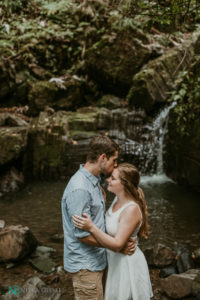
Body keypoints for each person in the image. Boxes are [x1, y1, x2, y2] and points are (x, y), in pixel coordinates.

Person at [61, 136, 135, 300]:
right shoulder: (80, 188)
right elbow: (83, 236)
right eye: (114, 160)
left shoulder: (93, 182)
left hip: (97, 260)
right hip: (85, 266)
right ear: (103, 158)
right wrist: (117, 246)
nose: (115, 165)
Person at [72, 163, 153, 300]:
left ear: (125, 185)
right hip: (115, 261)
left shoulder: (131, 209)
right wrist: (101, 204)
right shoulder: (117, 200)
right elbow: (112, 226)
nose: (108, 180)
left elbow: (117, 244)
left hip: (127, 264)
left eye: (113, 179)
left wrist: (91, 227)